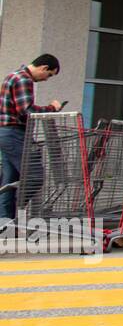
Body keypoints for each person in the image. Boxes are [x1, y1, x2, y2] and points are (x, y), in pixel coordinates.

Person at [0, 54, 64, 223]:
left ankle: (4, 221)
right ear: (43, 68)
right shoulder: (23, 79)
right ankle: (12, 213)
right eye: (49, 75)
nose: (46, 79)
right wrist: (51, 108)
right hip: (14, 133)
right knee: (35, 175)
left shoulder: (13, 76)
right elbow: (26, 111)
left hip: (7, 133)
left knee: (10, 180)